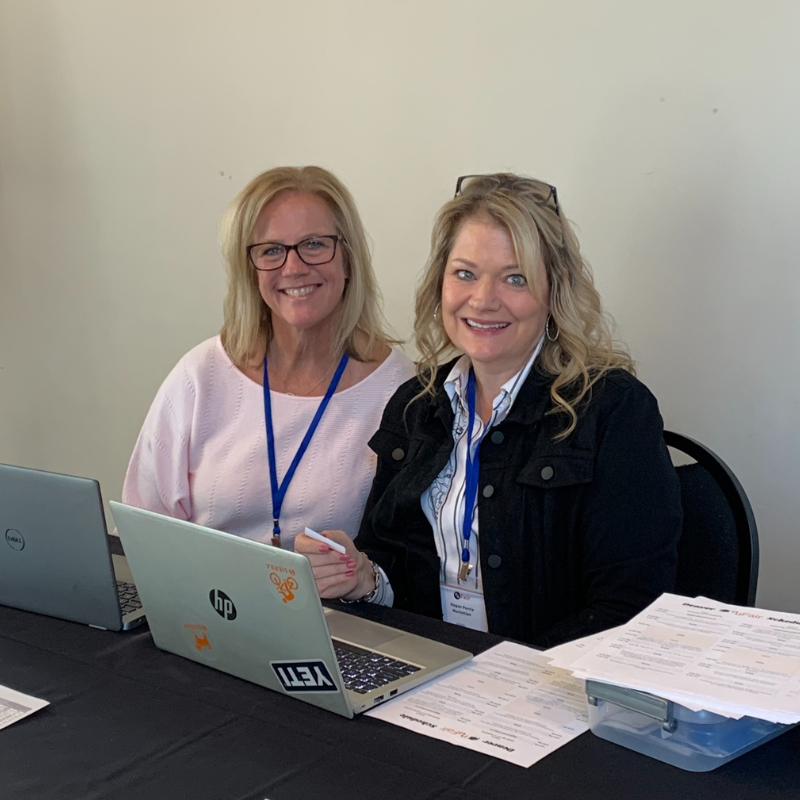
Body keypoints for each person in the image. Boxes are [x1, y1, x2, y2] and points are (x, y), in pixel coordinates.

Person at [295, 173, 682, 647]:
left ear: (553, 291)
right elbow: (395, 559)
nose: (482, 299)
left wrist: (507, 678)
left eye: (515, 278)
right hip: (431, 668)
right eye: (465, 273)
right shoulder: (416, 405)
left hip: (549, 690)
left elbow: (630, 608)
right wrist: (364, 577)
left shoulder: (614, 410)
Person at [122, 166, 415, 550]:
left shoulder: (405, 393)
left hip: (337, 610)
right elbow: (144, 530)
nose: (293, 268)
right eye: (272, 250)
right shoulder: (201, 375)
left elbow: (404, 561)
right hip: (199, 607)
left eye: (313, 244)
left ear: (348, 256)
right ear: (250, 270)